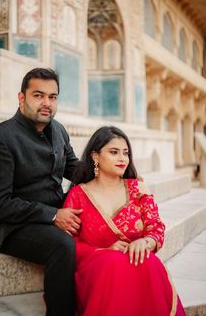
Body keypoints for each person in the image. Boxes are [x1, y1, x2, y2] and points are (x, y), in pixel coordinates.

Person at [0, 67, 82, 316]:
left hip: (55, 212)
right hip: (14, 226)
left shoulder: (58, 130)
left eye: (53, 97)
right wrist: (54, 215)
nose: (46, 103)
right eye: (38, 95)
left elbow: (74, 169)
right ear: (21, 97)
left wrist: (118, 174)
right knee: (63, 245)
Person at [64, 126, 186, 316]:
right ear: (95, 156)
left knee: (148, 261)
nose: (122, 158)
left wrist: (145, 242)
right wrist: (105, 251)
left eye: (126, 153)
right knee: (113, 263)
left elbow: (156, 228)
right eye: (114, 152)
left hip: (136, 263)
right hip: (97, 267)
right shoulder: (79, 195)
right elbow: (68, 242)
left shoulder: (138, 188)